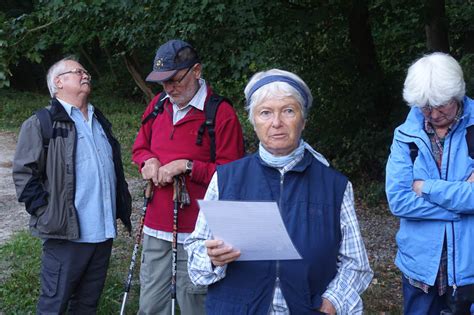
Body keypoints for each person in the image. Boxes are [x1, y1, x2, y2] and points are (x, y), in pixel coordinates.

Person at [184, 69, 373, 314]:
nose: (276, 123)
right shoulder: (226, 178)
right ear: (253, 122)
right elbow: (196, 255)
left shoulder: (334, 186)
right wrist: (211, 258)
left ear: (303, 120)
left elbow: (356, 265)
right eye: (265, 112)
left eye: (288, 111)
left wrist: (332, 303)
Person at [132, 39, 245, 314]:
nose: (169, 88)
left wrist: (188, 166)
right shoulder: (158, 105)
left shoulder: (220, 114)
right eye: (163, 82)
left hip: (198, 232)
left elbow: (234, 175)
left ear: (196, 71)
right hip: (156, 226)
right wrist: (147, 161)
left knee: (196, 304)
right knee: (150, 305)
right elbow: (140, 147)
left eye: (175, 80)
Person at [12, 56, 132, 314]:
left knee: (87, 305)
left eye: (86, 70)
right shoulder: (42, 123)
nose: (85, 74)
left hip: (102, 232)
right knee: (54, 304)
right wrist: (46, 212)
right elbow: (24, 174)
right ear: (58, 82)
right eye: (77, 71)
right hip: (66, 235)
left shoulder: (100, 121)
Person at [386, 52, 474, 314]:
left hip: (470, 269)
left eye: (441, 105)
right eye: (425, 107)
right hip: (420, 270)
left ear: (457, 94)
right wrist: (461, 202)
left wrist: (425, 187)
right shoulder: (405, 135)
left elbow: (412, 194)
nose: (434, 114)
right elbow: (399, 200)